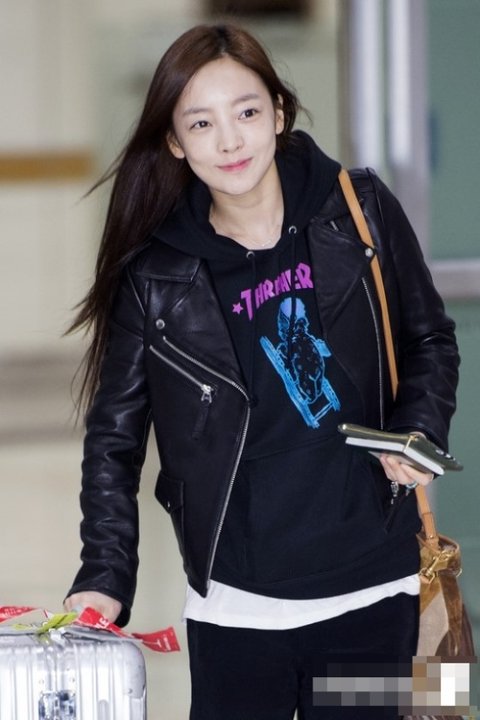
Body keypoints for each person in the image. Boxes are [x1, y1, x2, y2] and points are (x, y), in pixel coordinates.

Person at [64, 23, 459, 719]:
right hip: (239, 608)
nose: (229, 141)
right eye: (201, 123)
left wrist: (417, 431)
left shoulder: (359, 210)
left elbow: (429, 338)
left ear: (279, 113)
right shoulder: (157, 276)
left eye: (246, 112)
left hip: (377, 589)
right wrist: (104, 575)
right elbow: (114, 441)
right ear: (175, 142)